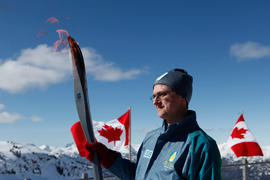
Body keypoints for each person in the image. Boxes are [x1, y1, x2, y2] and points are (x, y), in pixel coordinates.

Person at [72, 68, 222, 180]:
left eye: (162, 94)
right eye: (154, 96)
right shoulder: (151, 137)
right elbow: (136, 175)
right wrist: (106, 157)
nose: (156, 101)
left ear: (183, 97)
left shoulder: (202, 146)